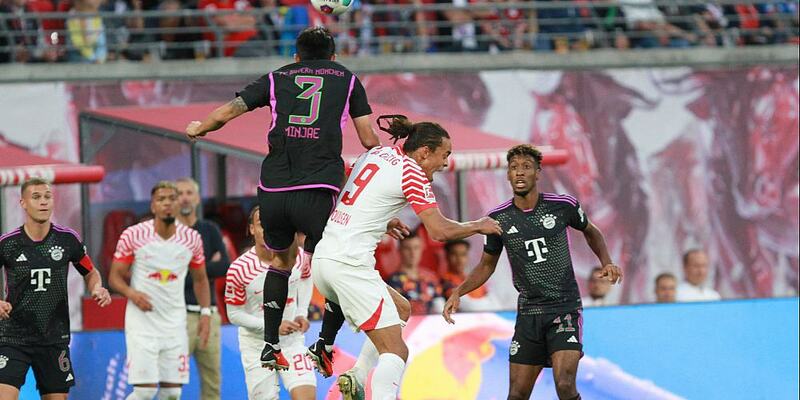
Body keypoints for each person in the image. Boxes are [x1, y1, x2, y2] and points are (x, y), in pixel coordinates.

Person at [185, 26, 380, 370]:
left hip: (274, 188)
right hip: (318, 187)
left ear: (296, 57)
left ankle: (270, 345)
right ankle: (324, 344)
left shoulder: (277, 78)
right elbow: (367, 138)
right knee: (330, 264)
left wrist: (200, 127)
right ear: (333, 57)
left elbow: (230, 111)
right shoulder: (347, 79)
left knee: (280, 262)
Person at [307, 116, 502, 399]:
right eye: (444, 154)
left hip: (325, 260)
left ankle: (357, 377)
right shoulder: (412, 173)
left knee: (401, 309)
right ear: (425, 152)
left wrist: (381, 221)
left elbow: (360, 196)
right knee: (396, 351)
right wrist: (477, 224)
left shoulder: (377, 153)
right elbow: (438, 231)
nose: (445, 163)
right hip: (349, 266)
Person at [442, 144, 623, 400]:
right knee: (516, 395)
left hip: (564, 309)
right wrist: (459, 291)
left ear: (538, 172)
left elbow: (591, 231)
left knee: (564, 385)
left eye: (526, 167)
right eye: (513, 167)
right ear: (507, 175)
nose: (519, 173)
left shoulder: (563, 206)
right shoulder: (497, 219)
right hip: (529, 313)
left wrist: (606, 261)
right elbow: (486, 265)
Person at [0, 177, 111, 400]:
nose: (43, 202)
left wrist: (97, 288)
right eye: (36, 197)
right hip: (13, 337)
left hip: (53, 338)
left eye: (47, 197)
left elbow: (90, 271)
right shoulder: (8, 243)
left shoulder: (67, 239)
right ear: (22, 203)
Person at [108, 181, 212, 400]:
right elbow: (114, 277)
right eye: (161, 199)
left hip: (175, 323)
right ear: (153, 206)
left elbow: (201, 280)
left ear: (177, 205)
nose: (167, 204)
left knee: (172, 392)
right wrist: (133, 294)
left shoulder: (192, 239)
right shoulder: (133, 235)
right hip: (142, 323)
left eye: (171, 199)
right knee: (145, 392)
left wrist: (205, 314)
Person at [225, 206, 315, 400]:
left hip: (292, 342)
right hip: (257, 346)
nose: (268, 230)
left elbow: (307, 277)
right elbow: (234, 315)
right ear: (251, 229)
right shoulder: (239, 269)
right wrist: (272, 326)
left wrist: (301, 312)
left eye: (273, 224)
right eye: (261, 225)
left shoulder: (298, 256)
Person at [175, 177, 230, 400]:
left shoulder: (210, 229)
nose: (185, 197)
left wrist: (190, 268)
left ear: (197, 199)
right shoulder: (169, 233)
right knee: (172, 382)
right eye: (179, 193)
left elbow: (225, 265)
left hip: (210, 314)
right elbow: (171, 277)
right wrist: (207, 267)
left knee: (212, 381)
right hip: (178, 315)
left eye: (189, 193)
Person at [386, 233, 445, 315]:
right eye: (407, 248)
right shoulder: (393, 281)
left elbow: (440, 305)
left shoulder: (430, 277)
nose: (412, 253)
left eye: (416, 248)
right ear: (399, 250)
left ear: (421, 249)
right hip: (409, 326)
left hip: (432, 324)